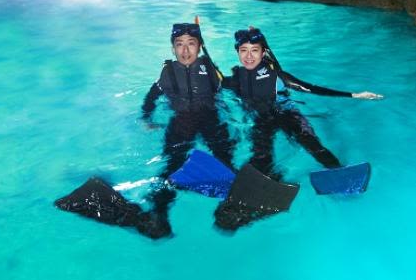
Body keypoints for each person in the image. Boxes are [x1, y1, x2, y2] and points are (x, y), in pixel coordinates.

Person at [222, 27, 382, 180]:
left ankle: (338, 171)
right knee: (261, 154)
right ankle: (269, 180)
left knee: (310, 143)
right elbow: (216, 85)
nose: (248, 56)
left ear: (262, 53)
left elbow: (311, 89)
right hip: (262, 119)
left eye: (254, 50)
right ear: (238, 52)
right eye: (243, 50)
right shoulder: (235, 80)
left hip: (286, 113)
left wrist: (355, 95)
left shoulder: (278, 76)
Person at [139, 22, 235, 238]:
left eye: (191, 44)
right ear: (172, 48)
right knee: (172, 166)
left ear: (200, 47)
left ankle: (230, 208)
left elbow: (228, 90)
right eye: (179, 44)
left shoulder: (211, 70)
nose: (185, 50)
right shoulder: (167, 74)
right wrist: (146, 118)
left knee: (225, 160)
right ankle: (159, 214)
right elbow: (151, 97)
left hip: (210, 118)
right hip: (182, 121)